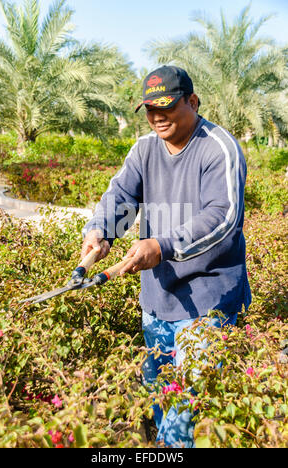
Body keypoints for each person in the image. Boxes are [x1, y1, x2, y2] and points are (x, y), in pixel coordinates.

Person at [81, 65, 252, 448]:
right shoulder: (144, 149)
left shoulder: (218, 148)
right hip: (158, 300)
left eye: (168, 107)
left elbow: (221, 217)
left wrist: (162, 246)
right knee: (160, 398)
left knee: (183, 415)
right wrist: (101, 231)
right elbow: (121, 198)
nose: (158, 117)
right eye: (150, 109)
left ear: (192, 101)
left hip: (208, 303)